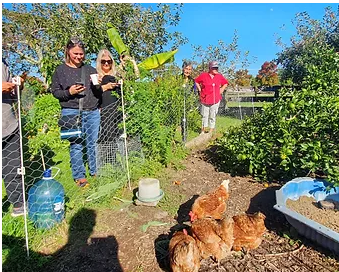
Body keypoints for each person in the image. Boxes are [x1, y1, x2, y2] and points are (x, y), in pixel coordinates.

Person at [51, 37, 101, 187]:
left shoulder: (90, 70)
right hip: (70, 111)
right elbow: (55, 92)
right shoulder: (60, 70)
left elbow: (97, 92)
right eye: (75, 53)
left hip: (92, 111)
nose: (79, 57)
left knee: (93, 142)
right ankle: (79, 175)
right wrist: (69, 92)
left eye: (81, 54)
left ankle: (95, 170)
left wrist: (97, 83)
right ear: (67, 51)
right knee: (76, 144)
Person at [2, 59, 25, 217]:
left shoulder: (3, 63)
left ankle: (19, 205)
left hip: (9, 124)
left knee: (13, 166)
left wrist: (18, 86)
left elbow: (13, 96)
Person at [96, 49, 123, 143]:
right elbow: (93, 93)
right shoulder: (96, 77)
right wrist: (105, 86)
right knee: (107, 137)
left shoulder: (118, 75)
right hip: (104, 111)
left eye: (109, 61)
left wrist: (131, 62)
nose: (106, 64)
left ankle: (117, 157)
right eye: (103, 61)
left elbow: (135, 76)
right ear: (99, 63)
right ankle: (107, 156)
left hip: (118, 111)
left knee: (119, 137)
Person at [195, 61, 228, 134]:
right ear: (210, 68)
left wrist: (221, 89)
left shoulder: (219, 76)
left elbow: (225, 83)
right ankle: (203, 130)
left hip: (215, 100)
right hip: (205, 99)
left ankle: (210, 131)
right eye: (214, 68)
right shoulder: (203, 75)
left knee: (212, 115)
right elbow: (196, 81)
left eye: (216, 68)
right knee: (204, 115)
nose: (216, 69)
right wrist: (199, 89)